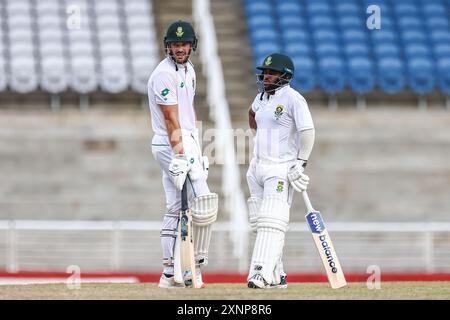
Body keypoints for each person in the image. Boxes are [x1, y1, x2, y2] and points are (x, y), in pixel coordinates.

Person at [147, 20, 218, 289]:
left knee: (176, 207)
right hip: (169, 143)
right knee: (203, 203)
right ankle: (193, 267)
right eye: (175, 44)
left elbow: (188, 114)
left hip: (186, 141)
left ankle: (169, 273)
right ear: (168, 46)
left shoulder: (189, 70)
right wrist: (180, 154)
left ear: (191, 46)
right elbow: (171, 120)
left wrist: (196, 150)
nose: (179, 48)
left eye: (183, 44)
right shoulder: (164, 74)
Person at [246, 53, 315, 289]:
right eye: (264, 72)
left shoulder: (294, 99)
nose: (266, 76)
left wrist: (300, 162)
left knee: (272, 220)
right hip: (257, 167)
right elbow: (252, 114)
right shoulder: (260, 98)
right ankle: (278, 274)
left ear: (285, 75)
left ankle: (261, 274)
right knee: (259, 222)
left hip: (280, 168)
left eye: (271, 72)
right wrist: (261, 139)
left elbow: (308, 132)